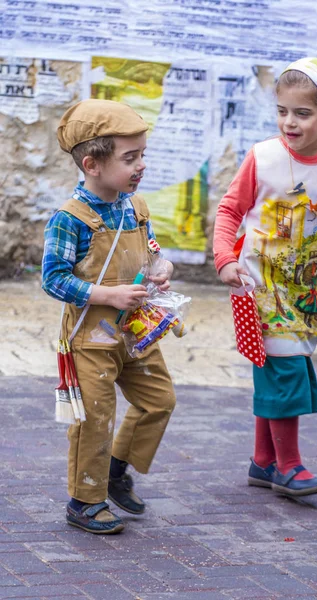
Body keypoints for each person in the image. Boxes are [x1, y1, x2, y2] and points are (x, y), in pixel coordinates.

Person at [213, 57, 317, 498]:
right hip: (259, 285)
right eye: (283, 111)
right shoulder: (263, 157)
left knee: (285, 365)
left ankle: (263, 462)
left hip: (304, 288)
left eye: (302, 113)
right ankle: (290, 467)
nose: (289, 121)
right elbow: (230, 209)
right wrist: (225, 259)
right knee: (285, 369)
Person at [42, 99, 176, 533]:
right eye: (129, 158)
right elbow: (53, 279)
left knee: (160, 400)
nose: (141, 167)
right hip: (89, 338)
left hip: (135, 332)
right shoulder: (69, 219)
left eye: (143, 156)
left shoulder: (135, 207)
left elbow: (150, 249)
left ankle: (117, 472)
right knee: (94, 419)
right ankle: (84, 501)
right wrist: (106, 293)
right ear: (92, 164)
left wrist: (161, 267)